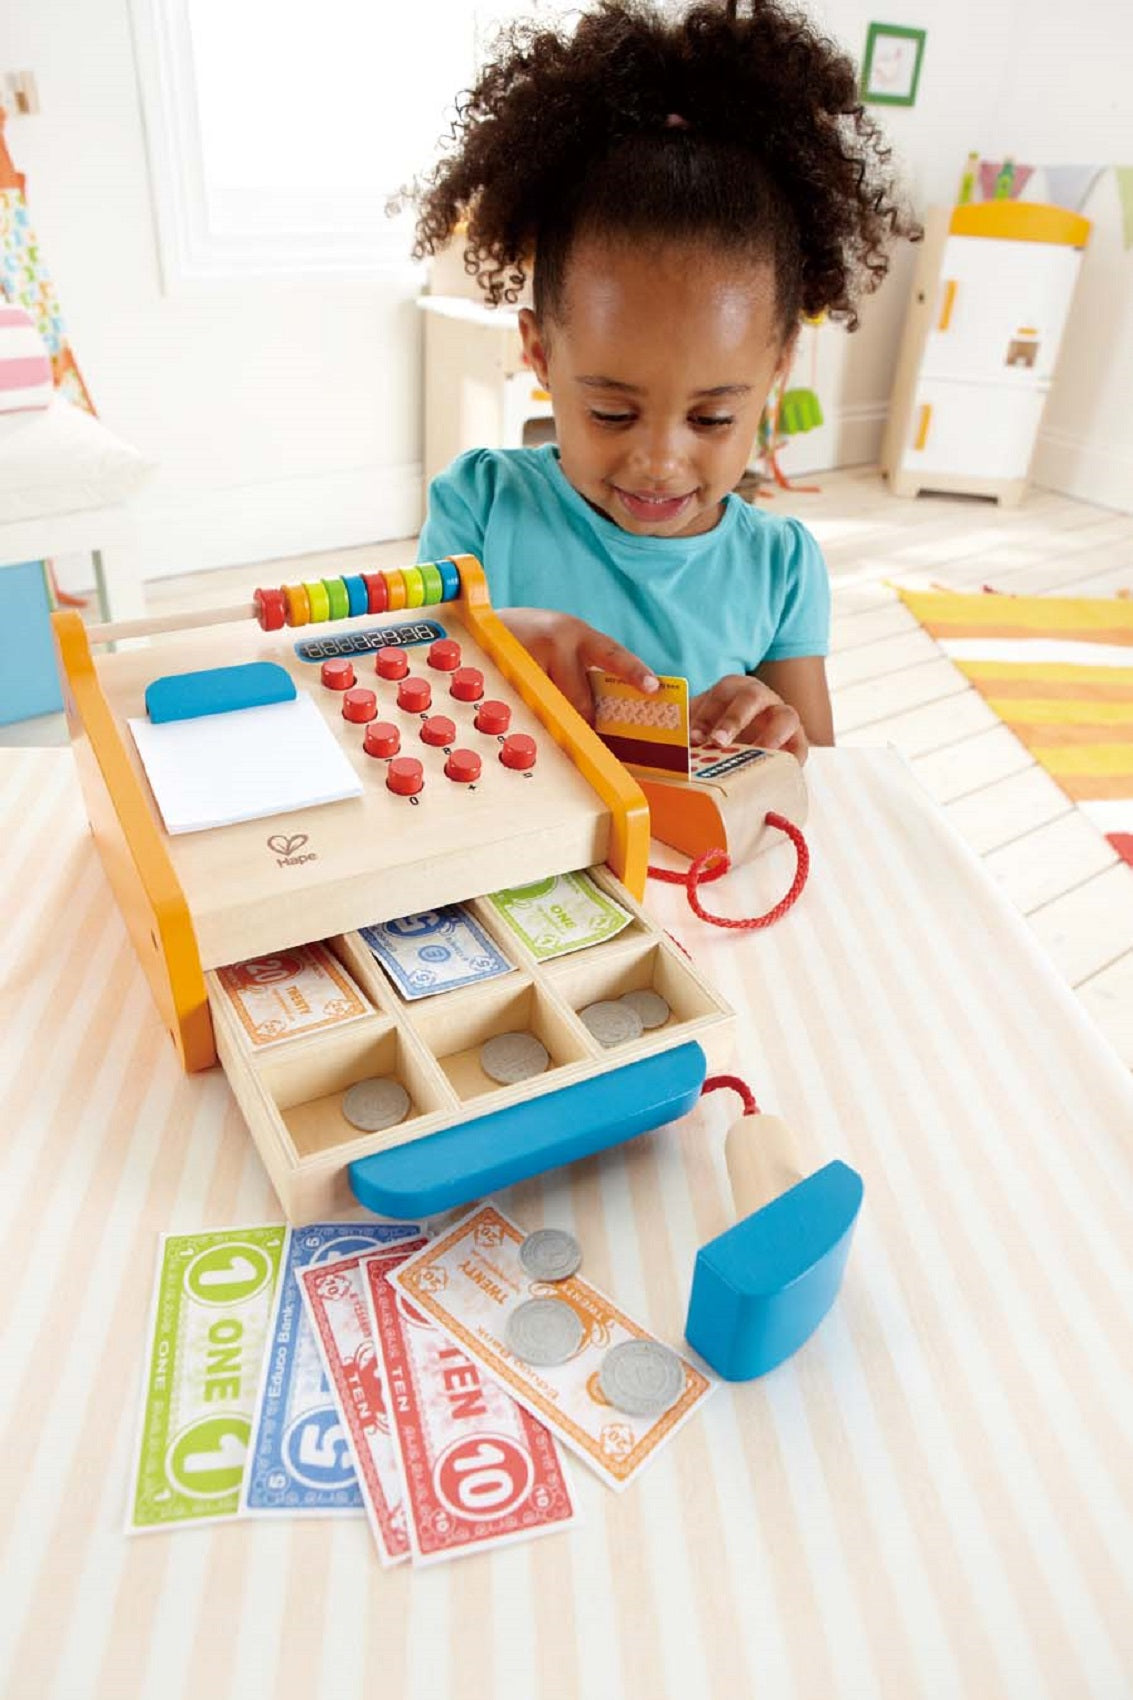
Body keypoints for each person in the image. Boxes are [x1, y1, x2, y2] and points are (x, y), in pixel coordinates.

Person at [411, 0, 917, 761]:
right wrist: (495, 639)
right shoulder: (482, 507)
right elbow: (406, 676)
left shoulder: (778, 567)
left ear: (776, 367)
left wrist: (767, 723)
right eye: (612, 411)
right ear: (541, 355)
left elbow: (810, 763)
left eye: (711, 419)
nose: (658, 461)